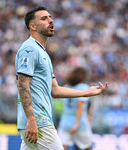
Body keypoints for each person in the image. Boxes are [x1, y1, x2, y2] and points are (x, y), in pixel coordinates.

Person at [15, 6, 108, 150]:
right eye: (44, 18)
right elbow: (23, 85)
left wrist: (86, 92)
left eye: (50, 17)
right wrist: (32, 119)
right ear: (32, 26)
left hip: (38, 121)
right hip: (39, 122)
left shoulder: (43, 53)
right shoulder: (30, 49)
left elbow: (56, 90)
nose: (51, 21)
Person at [58, 67, 93, 150]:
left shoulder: (66, 87)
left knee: (61, 147)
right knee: (87, 147)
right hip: (80, 122)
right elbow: (79, 106)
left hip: (65, 121)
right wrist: (77, 124)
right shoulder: (83, 87)